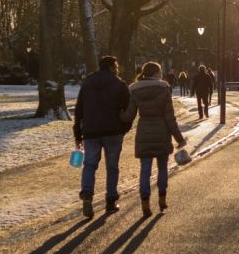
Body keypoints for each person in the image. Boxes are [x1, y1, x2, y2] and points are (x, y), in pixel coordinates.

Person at [121, 62, 186, 217]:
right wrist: (179, 138)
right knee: (162, 168)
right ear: (157, 73)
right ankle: (162, 199)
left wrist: (117, 115)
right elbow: (170, 117)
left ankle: (145, 202)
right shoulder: (164, 89)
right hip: (162, 133)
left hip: (144, 132)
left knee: (145, 170)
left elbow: (129, 115)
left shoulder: (135, 90)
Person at [73, 56, 131, 218]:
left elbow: (79, 110)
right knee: (112, 166)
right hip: (113, 131)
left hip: (91, 131)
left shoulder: (88, 83)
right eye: (116, 65)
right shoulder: (119, 84)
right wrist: (124, 128)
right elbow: (128, 110)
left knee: (90, 164)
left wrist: (78, 133)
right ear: (112, 67)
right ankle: (111, 201)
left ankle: (87, 193)